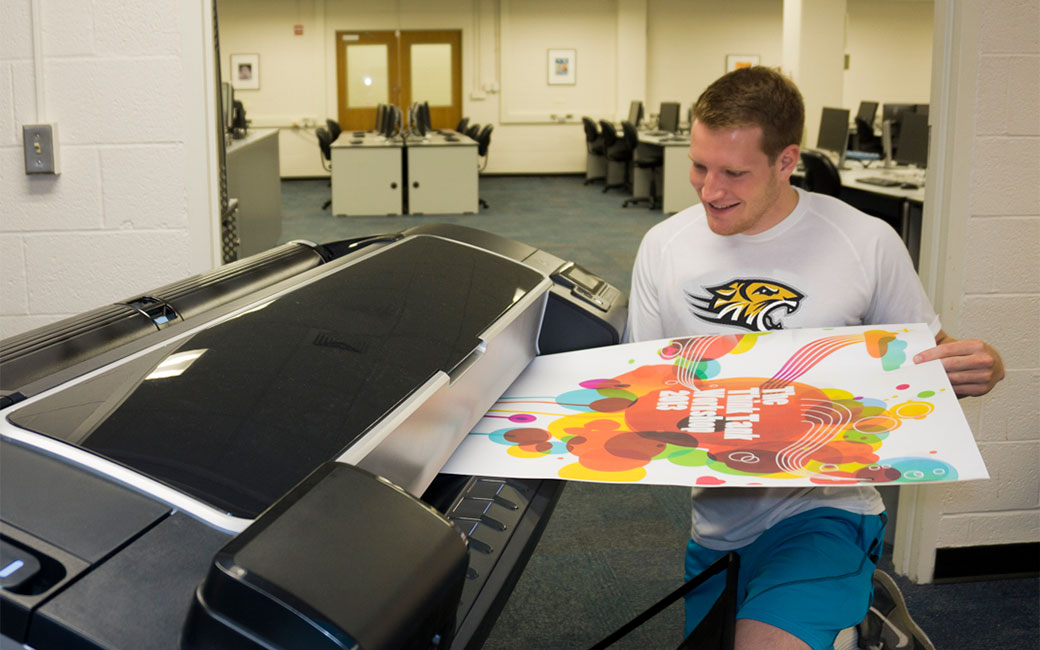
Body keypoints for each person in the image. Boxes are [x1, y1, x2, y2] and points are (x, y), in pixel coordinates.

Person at [626, 66, 1004, 650]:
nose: (710, 190)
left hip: (828, 508)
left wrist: (976, 367)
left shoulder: (865, 240)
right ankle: (864, 621)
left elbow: (928, 364)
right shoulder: (664, 246)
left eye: (734, 172)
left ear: (785, 161)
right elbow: (645, 388)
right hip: (717, 522)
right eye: (699, 166)